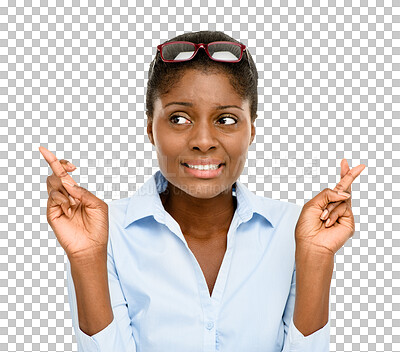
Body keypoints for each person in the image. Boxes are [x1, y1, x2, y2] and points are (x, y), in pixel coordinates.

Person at [39, 31, 366, 352]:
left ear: (251, 129)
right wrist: (85, 259)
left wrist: (317, 258)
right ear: (150, 127)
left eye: (226, 119)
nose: (204, 140)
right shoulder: (104, 234)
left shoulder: (295, 230)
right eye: (179, 118)